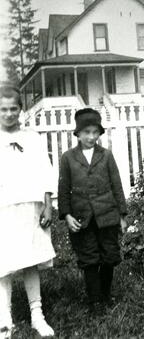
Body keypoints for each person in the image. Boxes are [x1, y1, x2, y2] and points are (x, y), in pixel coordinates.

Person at [0, 86, 56, 339]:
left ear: (20, 109)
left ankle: (37, 315)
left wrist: (48, 203)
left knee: (30, 259)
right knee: (4, 263)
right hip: (4, 206)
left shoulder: (32, 137)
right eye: (3, 109)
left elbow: (45, 171)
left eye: (13, 108)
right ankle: (4, 320)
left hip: (30, 206)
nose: (9, 114)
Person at [58, 108, 127, 310]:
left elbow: (117, 185)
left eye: (95, 132)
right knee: (89, 259)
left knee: (109, 256)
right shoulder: (68, 157)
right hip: (82, 218)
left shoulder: (106, 156)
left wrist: (122, 215)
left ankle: (105, 294)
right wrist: (67, 215)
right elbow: (63, 188)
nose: (91, 136)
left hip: (107, 216)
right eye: (86, 132)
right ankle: (95, 301)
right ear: (78, 133)